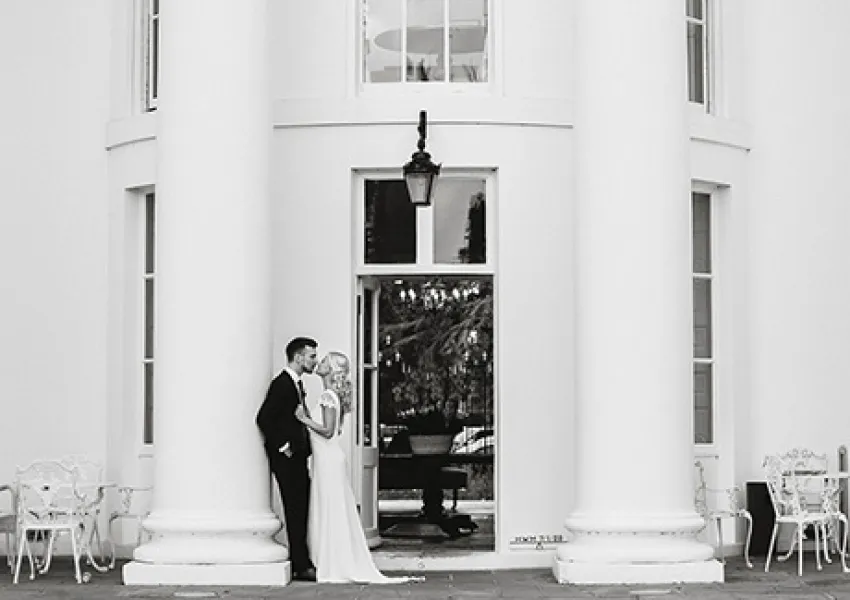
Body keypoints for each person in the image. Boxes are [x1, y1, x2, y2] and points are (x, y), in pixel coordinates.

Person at [295, 351, 421, 584]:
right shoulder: (331, 395)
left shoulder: (327, 396)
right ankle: (329, 558)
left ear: (332, 369)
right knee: (329, 506)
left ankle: (333, 561)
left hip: (329, 460)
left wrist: (303, 419)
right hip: (326, 459)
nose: (319, 363)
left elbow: (329, 431)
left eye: (324, 361)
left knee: (331, 507)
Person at [256, 336, 319, 582]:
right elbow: (264, 418)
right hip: (288, 460)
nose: (314, 360)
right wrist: (284, 447)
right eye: (311, 356)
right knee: (295, 509)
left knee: (300, 509)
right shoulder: (281, 384)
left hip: (298, 458)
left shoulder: (295, 383)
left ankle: (300, 561)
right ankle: (301, 565)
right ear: (299, 357)